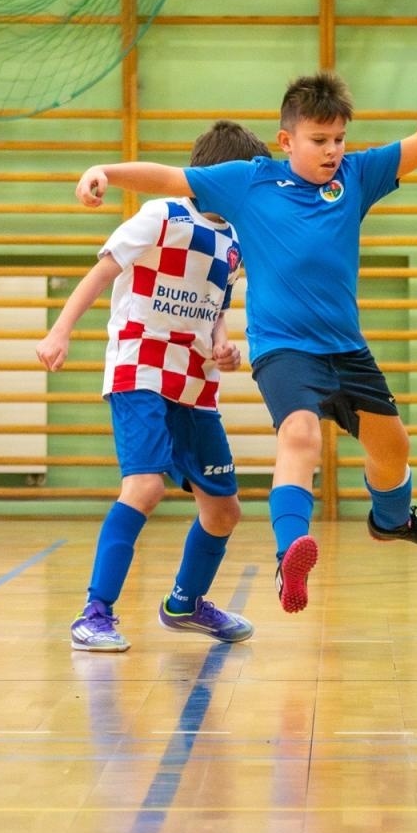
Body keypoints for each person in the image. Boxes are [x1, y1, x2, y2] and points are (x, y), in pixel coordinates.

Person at [74, 21, 417, 613]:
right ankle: (292, 555)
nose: (332, 150)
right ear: (287, 140)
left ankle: (392, 520)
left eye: (339, 138)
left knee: (393, 447)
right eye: (319, 140)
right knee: (300, 435)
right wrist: (106, 173)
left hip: (347, 349)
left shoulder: (356, 177)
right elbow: (168, 176)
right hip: (284, 349)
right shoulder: (250, 182)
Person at [37, 121, 267, 652]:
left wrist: (223, 346)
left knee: (224, 510)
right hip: (140, 367)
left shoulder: (234, 242)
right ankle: (94, 613)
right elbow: (102, 272)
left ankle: (185, 603)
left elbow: (215, 310)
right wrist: (59, 331)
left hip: (195, 381)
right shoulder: (162, 215)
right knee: (145, 487)